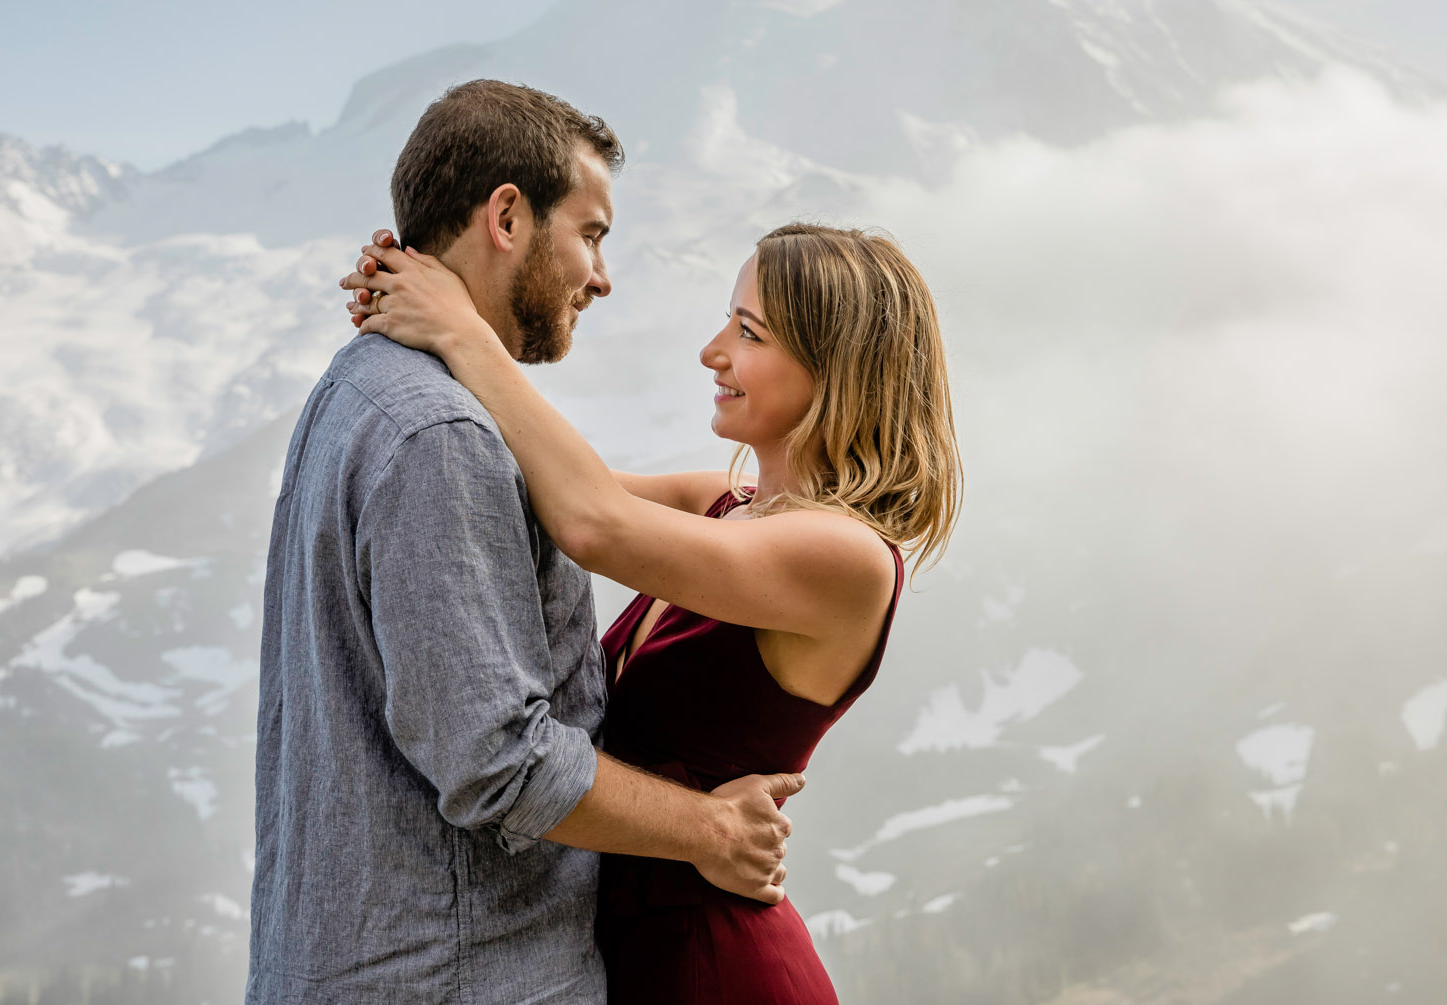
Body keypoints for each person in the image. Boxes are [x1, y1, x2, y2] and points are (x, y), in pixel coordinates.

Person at [247, 80, 802, 1005]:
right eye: (591, 233)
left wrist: (468, 338)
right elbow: (499, 762)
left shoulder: (358, 391)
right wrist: (711, 829)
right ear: (507, 215)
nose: (602, 275)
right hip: (464, 978)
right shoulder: (440, 438)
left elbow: (591, 497)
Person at [343, 212, 963, 1004]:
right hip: (626, 953)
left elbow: (592, 521)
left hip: (715, 965)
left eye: (749, 332)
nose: (714, 351)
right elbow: (529, 476)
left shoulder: (847, 561)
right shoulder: (721, 503)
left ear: (833, 368)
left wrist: (462, 332)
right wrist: (414, 307)